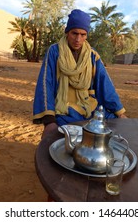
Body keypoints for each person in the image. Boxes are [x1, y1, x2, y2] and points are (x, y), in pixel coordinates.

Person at [33, 9, 127, 138]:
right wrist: (49, 120)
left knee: (114, 125)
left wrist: (119, 112)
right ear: (67, 32)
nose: (78, 39)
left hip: (90, 105)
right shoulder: (55, 52)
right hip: (64, 108)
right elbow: (45, 83)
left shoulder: (92, 55)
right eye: (74, 33)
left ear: (87, 35)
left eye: (83, 34)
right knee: (58, 134)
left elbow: (104, 83)